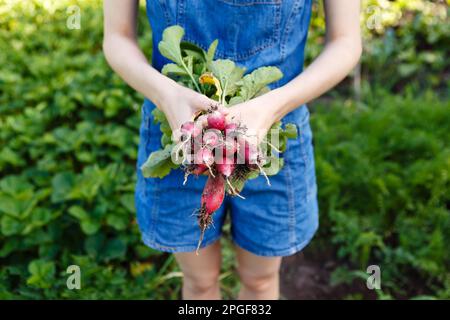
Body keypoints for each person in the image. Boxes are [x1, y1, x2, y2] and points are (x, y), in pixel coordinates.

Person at [103, 0, 361, 300]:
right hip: (179, 139)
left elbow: (346, 42)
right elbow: (117, 38)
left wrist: (272, 106)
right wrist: (167, 94)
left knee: (261, 281)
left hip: (273, 141)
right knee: (199, 282)